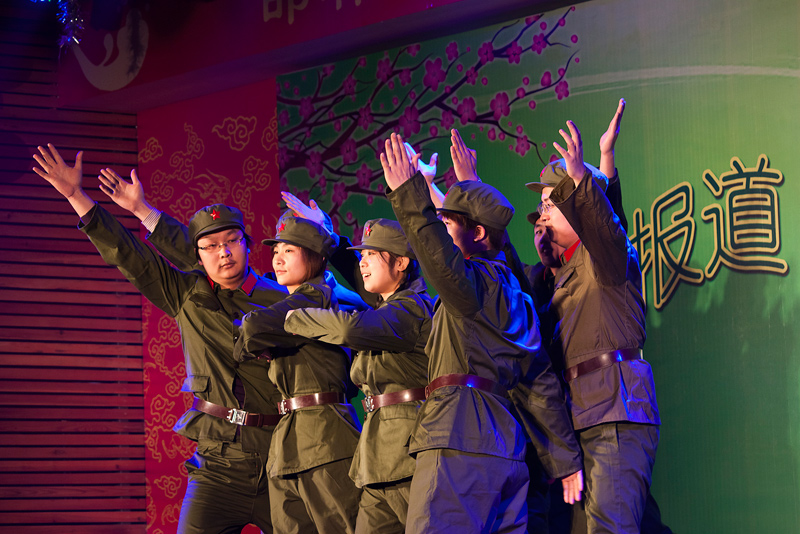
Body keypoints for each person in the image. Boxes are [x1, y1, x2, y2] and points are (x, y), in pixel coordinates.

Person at [32, 144, 285, 534]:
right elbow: (130, 256)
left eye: (232, 241)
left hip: (280, 458)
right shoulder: (186, 295)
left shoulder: (282, 299)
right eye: (210, 246)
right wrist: (76, 196)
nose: (223, 253)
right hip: (218, 464)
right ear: (197, 254)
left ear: (247, 244)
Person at [380, 132, 583, 533]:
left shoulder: (472, 285)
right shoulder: (517, 295)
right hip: (505, 446)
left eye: (447, 224)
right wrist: (565, 460)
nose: (441, 232)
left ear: (477, 235)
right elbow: (539, 384)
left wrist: (409, 192)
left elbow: (440, 258)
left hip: (457, 438)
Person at [526, 118, 660, 534]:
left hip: (614, 410)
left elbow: (605, 223)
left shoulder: (606, 257)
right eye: (542, 207)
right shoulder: (561, 275)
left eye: (553, 204)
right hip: (580, 418)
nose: (543, 217)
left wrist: (587, 174)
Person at [280, 212, 433, 534]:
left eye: (372, 255)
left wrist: (292, 318)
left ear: (401, 263)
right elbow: (358, 284)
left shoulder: (411, 309)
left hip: (408, 451)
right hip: (377, 455)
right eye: (361, 255)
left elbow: (349, 329)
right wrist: (330, 237)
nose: (362, 263)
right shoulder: (384, 306)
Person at [234, 213, 362, 534]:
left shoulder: (317, 295)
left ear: (315, 256)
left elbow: (251, 329)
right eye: (276, 251)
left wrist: (260, 339)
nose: (277, 259)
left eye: (289, 251)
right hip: (291, 436)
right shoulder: (298, 300)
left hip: (324, 434)